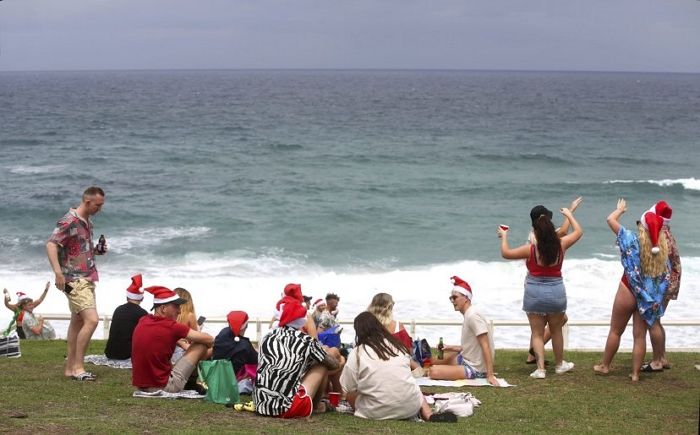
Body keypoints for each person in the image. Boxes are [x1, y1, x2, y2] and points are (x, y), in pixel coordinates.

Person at [499, 203, 582, 379]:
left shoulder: (531, 249)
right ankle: (560, 365)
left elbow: (506, 253)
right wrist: (570, 214)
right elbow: (578, 232)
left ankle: (540, 369)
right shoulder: (561, 244)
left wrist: (504, 236)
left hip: (534, 292)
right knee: (557, 329)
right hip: (556, 291)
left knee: (537, 333)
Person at [594, 199, 671, 381]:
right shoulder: (663, 253)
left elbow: (610, 220)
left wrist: (619, 210)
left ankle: (605, 366)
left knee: (615, 331)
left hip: (627, 289)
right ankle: (635, 374)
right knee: (639, 337)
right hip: (645, 297)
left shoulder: (630, 239)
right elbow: (664, 281)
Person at [340, 311, 456, 422]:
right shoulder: (397, 347)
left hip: (375, 411)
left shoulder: (358, 353)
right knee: (414, 386)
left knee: (352, 392)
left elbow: (348, 387)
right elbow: (413, 368)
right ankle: (429, 415)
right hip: (410, 408)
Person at [46, 186, 106, 381]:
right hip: (75, 279)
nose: (100, 209)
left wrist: (96, 250)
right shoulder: (69, 220)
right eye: (98, 205)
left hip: (87, 276)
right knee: (92, 320)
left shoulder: (87, 221)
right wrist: (57, 273)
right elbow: (51, 244)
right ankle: (79, 368)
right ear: (88, 202)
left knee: (77, 322)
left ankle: (70, 368)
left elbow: (79, 249)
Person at [254, 301, 344, 418]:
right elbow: (331, 364)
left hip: (261, 404)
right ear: (303, 321)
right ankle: (316, 406)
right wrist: (341, 362)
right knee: (322, 365)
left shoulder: (268, 337)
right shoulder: (305, 341)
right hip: (286, 408)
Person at [523, 197, 581, 364]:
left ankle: (533, 354)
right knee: (559, 320)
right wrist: (571, 213)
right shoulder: (543, 237)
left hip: (533, 282)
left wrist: (571, 211)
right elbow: (563, 231)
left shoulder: (535, 235)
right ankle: (534, 351)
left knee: (537, 326)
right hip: (544, 283)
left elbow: (562, 231)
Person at [131, 286, 214, 393]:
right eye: (176, 307)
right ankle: (191, 383)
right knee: (201, 345)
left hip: (142, 386)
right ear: (163, 308)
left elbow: (158, 337)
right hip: (165, 386)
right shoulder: (172, 326)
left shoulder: (143, 320)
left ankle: (190, 382)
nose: (179, 311)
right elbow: (209, 339)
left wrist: (181, 343)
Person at [428, 277, 498, 386]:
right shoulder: (468, 314)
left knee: (433, 371)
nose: (452, 301)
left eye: (455, 297)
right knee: (431, 361)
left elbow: (485, 345)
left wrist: (490, 375)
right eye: (451, 298)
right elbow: (471, 347)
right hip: (465, 359)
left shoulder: (473, 316)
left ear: (466, 298)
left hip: (475, 368)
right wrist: (449, 347)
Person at [104, 275, 148, 360]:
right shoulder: (142, 313)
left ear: (127, 297)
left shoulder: (118, 309)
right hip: (127, 354)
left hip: (110, 352)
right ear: (142, 298)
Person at [213, 310, 258, 376]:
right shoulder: (245, 345)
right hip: (234, 381)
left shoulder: (223, 332)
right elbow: (256, 360)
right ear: (246, 326)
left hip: (217, 375)